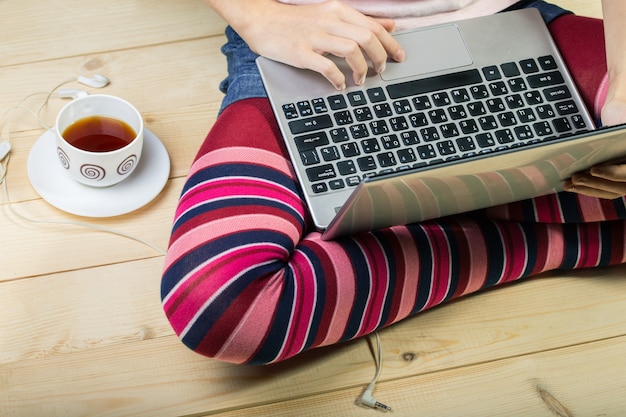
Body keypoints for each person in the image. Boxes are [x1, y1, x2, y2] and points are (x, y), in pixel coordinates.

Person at [161, 0, 626, 365]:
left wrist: (623, 95)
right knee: (223, 310)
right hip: (301, 41)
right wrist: (258, 16)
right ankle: (533, 214)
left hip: (505, 20)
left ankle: (413, 203)